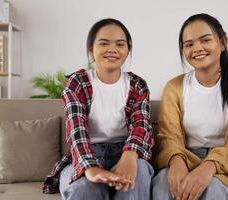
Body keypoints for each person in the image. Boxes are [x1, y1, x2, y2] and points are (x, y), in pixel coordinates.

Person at [43, 18, 154, 200]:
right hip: (86, 153)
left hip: (126, 153)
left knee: (138, 177)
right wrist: (90, 167)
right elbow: (76, 131)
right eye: (104, 43)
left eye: (120, 44)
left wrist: (130, 155)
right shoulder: (77, 83)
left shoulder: (137, 85)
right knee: (86, 189)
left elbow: (141, 125)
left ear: (128, 50)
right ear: (91, 49)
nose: (112, 49)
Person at [153, 13, 228, 200]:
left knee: (213, 191)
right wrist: (176, 162)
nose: (197, 48)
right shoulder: (174, 88)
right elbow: (168, 136)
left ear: (223, 42)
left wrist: (209, 167)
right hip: (186, 158)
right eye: (189, 44)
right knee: (163, 187)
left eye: (205, 40)